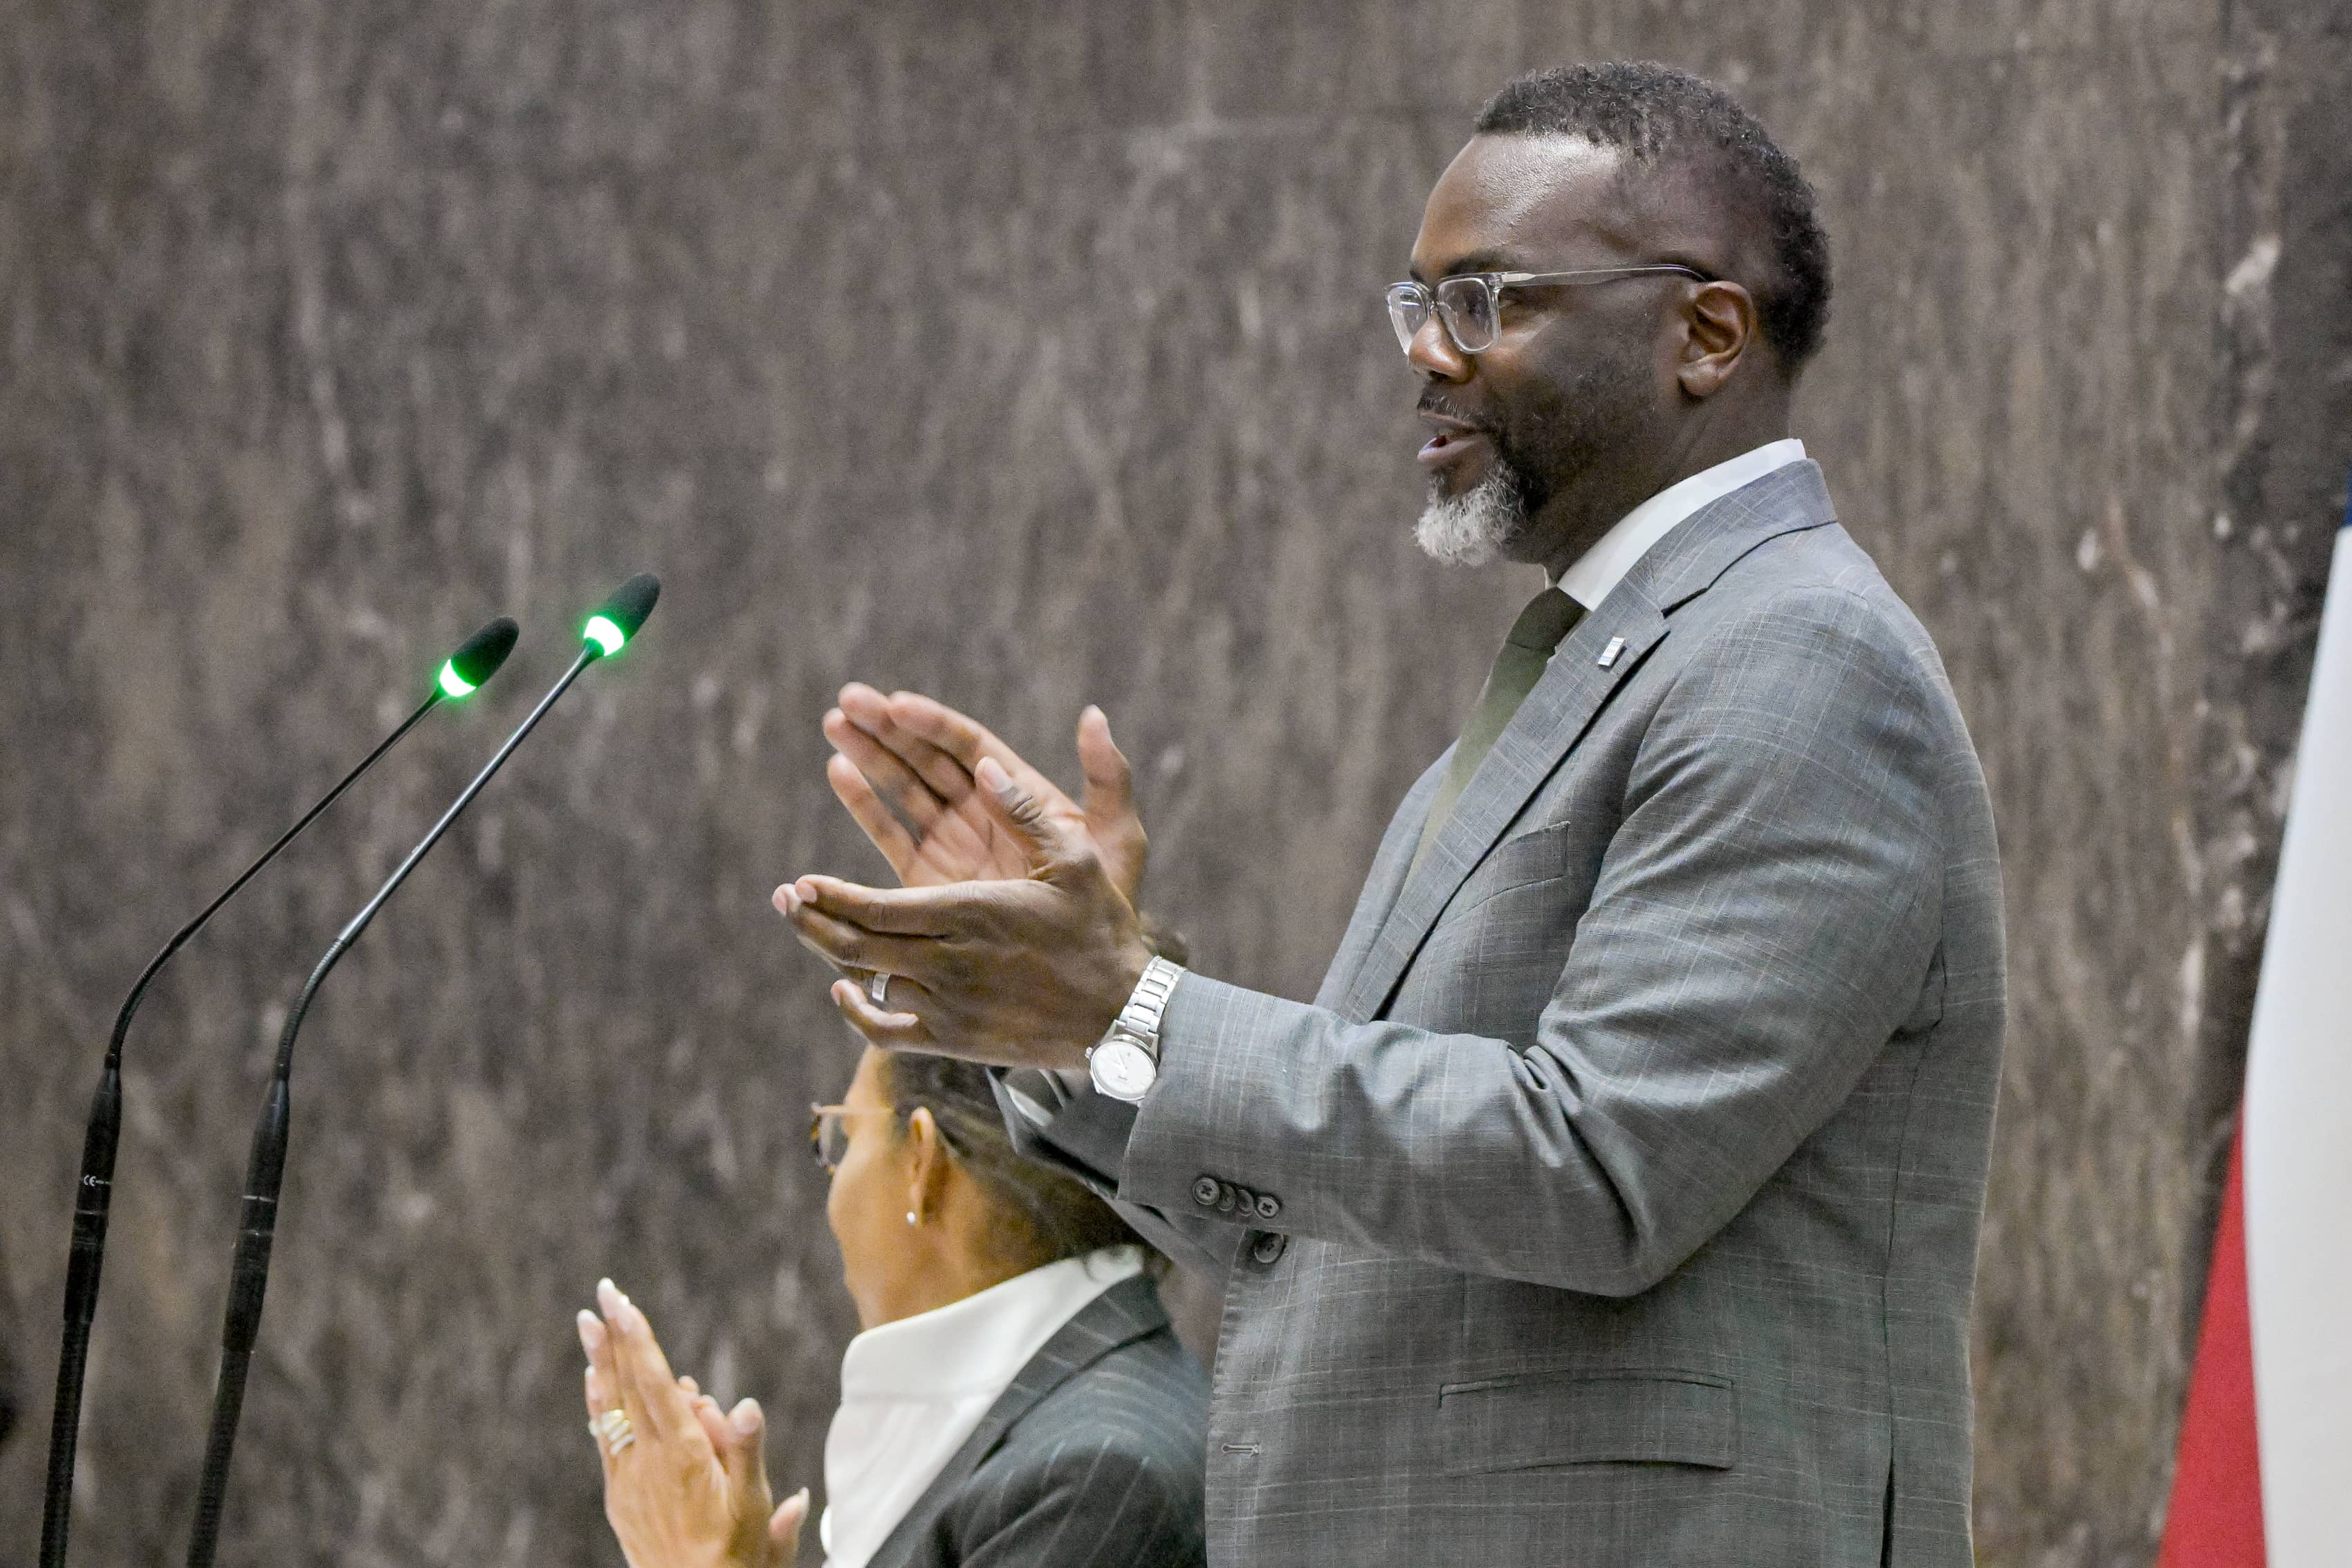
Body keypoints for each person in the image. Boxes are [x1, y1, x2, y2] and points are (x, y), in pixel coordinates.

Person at [778, 61, 2003, 1568]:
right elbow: (1309, 1218)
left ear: (1703, 334)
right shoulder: (1576, 681)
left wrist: (1133, 1007)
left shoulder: (1798, 654)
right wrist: (1071, 1023)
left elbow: (1600, 1165)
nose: (1425, 351)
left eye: (1485, 301)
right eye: (1415, 302)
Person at [573, 1046, 1209, 1568]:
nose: (833, 1191)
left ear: (920, 1162)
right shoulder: (1065, 1424)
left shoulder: (1094, 1476)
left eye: (845, 1135)